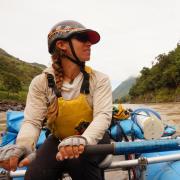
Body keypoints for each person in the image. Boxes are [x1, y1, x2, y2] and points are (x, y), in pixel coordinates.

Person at [0, 20, 112, 180]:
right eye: (82, 39)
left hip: (94, 139)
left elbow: (103, 116)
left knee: (78, 161)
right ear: (61, 45)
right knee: (35, 175)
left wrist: (83, 140)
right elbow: (32, 122)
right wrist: (23, 146)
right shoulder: (41, 83)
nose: (89, 44)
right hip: (58, 139)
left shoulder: (99, 79)